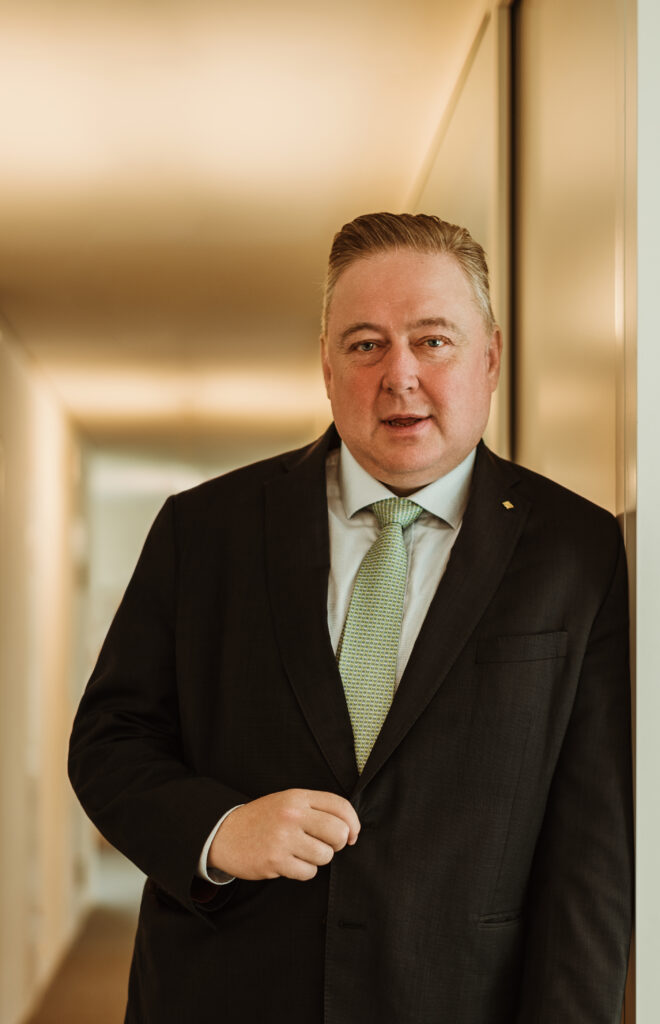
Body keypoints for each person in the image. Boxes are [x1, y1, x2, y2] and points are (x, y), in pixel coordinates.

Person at [69, 212, 633, 1024]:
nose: (399, 375)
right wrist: (219, 830)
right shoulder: (206, 530)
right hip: (223, 993)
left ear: (490, 357)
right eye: (366, 344)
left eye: (433, 341)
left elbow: (593, 851)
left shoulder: (578, 551)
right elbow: (110, 738)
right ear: (326, 367)